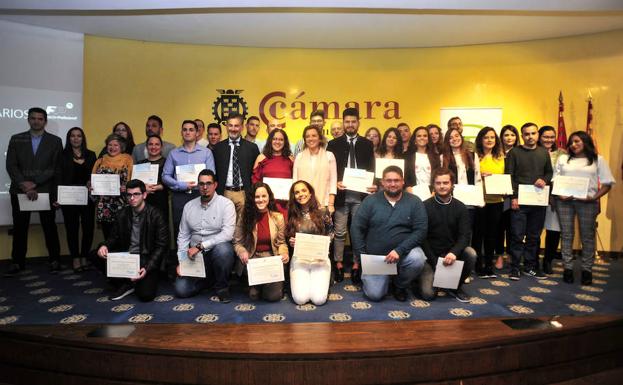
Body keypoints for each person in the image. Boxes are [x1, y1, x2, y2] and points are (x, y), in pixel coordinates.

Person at [350, 166, 428, 301]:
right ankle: (383, 277)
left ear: (403, 181)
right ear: (382, 183)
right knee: (375, 295)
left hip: (402, 254)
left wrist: (400, 250)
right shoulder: (370, 201)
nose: (393, 184)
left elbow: (421, 230)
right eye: (389, 180)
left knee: (418, 259)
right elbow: (356, 228)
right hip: (376, 258)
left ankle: (400, 284)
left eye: (396, 180)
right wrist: (362, 256)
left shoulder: (414, 201)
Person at [5, 107, 63, 276]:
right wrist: (24, 184)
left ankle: (55, 260)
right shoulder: (16, 139)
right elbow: (11, 165)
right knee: (20, 228)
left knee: (49, 227)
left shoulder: (55, 141)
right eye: (33, 118)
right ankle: (17, 262)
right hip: (20, 190)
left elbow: (54, 167)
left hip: (44, 190)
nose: (36, 121)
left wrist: (34, 183)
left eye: (40, 118)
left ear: (45, 121)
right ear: (28, 120)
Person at [94, 179, 169, 301]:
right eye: (129, 195)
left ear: (144, 195)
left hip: (146, 258)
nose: (132, 198)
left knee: (146, 295)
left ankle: (131, 282)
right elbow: (114, 237)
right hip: (127, 256)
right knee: (96, 254)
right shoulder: (122, 214)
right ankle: (125, 282)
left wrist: (148, 267)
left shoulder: (156, 215)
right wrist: (104, 245)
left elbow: (161, 246)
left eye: (136, 194)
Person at [555, 131, 614, 285]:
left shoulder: (597, 160)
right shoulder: (562, 159)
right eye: (571, 142)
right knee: (567, 235)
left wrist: (594, 197)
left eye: (577, 141)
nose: (573, 145)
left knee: (587, 236)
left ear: (586, 142)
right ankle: (567, 268)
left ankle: (587, 270)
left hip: (587, 202)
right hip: (565, 202)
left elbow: (607, 183)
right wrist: (560, 194)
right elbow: (556, 180)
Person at [327, 108, 376, 284]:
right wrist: (336, 183)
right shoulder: (333, 144)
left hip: (361, 196)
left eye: (353, 121)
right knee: (339, 232)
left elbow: (372, 168)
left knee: (358, 232)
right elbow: (330, 171)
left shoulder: (367, 144)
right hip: (341, 196)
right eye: (347, 122)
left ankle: (356, 265)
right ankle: (338, 264)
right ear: (343, 122)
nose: (350, 125)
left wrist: (374, 184)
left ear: (358, 122)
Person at [174, 169, 236, 302]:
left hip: (215, 253)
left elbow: (227, 234)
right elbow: (183, 236)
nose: (205, 187)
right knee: (181, 289)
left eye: (208, 183)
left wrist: (201, 246)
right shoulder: (189, 206)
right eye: (201, 184)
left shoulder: (226, 204)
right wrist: (182, 262)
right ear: (197, 186)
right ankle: (208, 280)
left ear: (215, 185)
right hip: (194, 258)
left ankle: (222, 287)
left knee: (224, 250)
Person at [419, 168, 477, 302]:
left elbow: (465, 236)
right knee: (428, 295)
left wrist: (454, 253)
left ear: (452, 184)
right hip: (429, 257)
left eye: (445, 183)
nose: (442, 186)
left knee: (471, 253)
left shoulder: (461, 207)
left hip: (451, 256)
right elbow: (422, 238)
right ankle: (434, 280)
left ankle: (455, 286)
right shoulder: (424, 206)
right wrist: (435, 263)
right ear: (433, 185)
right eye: (438, 183)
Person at [505, 122, 553, 280]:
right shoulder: (514, 152)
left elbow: (549, 172)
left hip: (538, 201)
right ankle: (515, 267)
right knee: (517, 236)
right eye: (527, 134)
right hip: (520, 201)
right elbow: (509, 176)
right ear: (522, 135)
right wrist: (513, 197)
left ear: (538, 134)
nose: (530, 136)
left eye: (533, 133)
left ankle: (530, 266)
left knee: (534, 236)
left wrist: (544, 180)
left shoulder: (543, 153)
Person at [234, 183, 289, 301]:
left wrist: (284, 253)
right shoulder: (244, 216)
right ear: (252, 199)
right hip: (252, 258)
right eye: (257, 197)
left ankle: (260, 285)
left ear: (269, 197)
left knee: (273, 297)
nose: (261, 200)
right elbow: (237, 242)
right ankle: (256, 284)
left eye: (264, 196)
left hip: (271, 258)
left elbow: (281, 243)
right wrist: (242, 252)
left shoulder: (278, 217)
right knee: (254, 296)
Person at [162, 120, 215, 240]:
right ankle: (181, 258)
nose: (187, 132)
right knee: (180, 229)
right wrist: (180, 185)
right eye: (185, 129)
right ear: (181, 132)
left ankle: (201, 257)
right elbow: (165, 176)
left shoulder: (206, 153)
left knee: (202, 228)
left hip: (200, 195)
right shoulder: (173, 154)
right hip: (179, 196)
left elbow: (212, 174)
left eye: (191, 130)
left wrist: (202, 183)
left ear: (197, 133)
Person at [287, 180, 333, 305]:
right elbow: (289, 237)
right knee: (300, 299)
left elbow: (331, 234)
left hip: (319, 259)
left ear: (310, 193)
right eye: (296, 192)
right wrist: (291, 242)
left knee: (319, 300)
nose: (300, 194)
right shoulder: (291, 214)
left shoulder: (323, 211)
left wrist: (324, 245)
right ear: (294, 196)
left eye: (303, 190)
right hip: (300, 259)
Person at [60, 127, 97, 272]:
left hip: (87, 197)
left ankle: (84, 256)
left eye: (79, 136)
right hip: (68, 198)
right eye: (72, 136)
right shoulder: (62, 155)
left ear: (83, 138)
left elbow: (95, 175)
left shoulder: (91, 155)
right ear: (69, 139)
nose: (76, 138)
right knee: (72, 229)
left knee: (88, 228)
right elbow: (58, 176)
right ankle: (75, 258)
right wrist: (57, 196)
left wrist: (91, 181)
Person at [213, 113, 260, 219]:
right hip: (224, 193)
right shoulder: (218, 148)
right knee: (224, 226)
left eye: (236, 125)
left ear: (242, 127)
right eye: (230, 125)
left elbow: (256, 173)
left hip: (244, 194)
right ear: (226, 126)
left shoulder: (252, 148)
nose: (233, 129)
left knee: (242, 228)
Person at [473, 127, 505, 278]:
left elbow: (507, 178)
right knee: (478, 235)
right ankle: (478, 265)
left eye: (492, 137)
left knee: (492, 235)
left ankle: (488, 266)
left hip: (496, 201)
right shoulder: (474, 156)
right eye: (486, 137)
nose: (489, 140)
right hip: (479, 200)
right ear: (480, 139)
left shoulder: (501, 157)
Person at [92, 134, 134, 239]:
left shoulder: (128, 160)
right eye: (110, 145)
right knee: (108, 235)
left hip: (122, 203)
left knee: (123, 234)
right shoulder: (100, 161)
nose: (112, 147)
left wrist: (127, 187)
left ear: (121, 147)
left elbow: (133, 180)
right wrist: (92, 187)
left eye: (116, 145)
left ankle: (121, 255)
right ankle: (109, 255)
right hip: (104, 205)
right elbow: (92, 180)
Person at [537, 125, 565, 274]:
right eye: (545, 137)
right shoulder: (533, 152)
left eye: (551, 137)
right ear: (539, 137)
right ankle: (533, 260)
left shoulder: (562, 155)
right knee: (534, 231)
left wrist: (555, 195)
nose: (549, 140)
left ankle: (548, 260)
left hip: (556, 199)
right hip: (535, 196)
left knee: (554, 231)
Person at [293, 125, 337, 212]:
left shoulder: (329, 155)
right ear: (304, 140)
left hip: (323, 204)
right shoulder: (299, 156)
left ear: (319, 138)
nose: (310, 138)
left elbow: (333, 181)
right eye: (307, 136)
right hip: (303, 203)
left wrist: (331, 204)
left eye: (314, 135)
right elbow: (295, 181)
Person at [252, 128, 294, 218]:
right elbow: (255, 181)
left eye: (281, 139)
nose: (277, 142)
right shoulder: (261, 158)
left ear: (285, 142)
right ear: (270, 141)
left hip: (285, 205)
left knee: (283, 230)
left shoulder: (290, 159)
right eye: (274, 139)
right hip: (265, 204)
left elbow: (295, 181)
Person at [497, 124, 520, 268]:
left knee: (514, 228)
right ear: (501, 137)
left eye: (512, 135)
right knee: (499, 227)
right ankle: (499, 255)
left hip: (515, 195)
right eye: (506, 135)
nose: (509, 138)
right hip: (499, 195)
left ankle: (511, 254)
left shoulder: (520, 153)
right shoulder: (496, 153)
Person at [137, 135, 169, 224]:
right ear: (146, 147)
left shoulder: (167, 162)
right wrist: (143, 188)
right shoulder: (140, 164)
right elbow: (135, 184)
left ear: (161, 147)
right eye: (150, 144)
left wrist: (160, 186)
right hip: (143, 202)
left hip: (160, 201)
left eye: (157, 144)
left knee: (161, 229)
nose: (153, 147)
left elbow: (172, 182)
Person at [404, 126, 441, 194]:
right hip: (412, 193)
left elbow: (438, 175)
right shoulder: (406, 156)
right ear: (414, 139)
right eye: (419, 136)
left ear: (428, 139)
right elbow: (404, 176)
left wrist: (434, 191)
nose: (422, 138)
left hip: (432, 193)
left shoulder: (435, 156)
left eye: (425, 136)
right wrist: (408, 189)